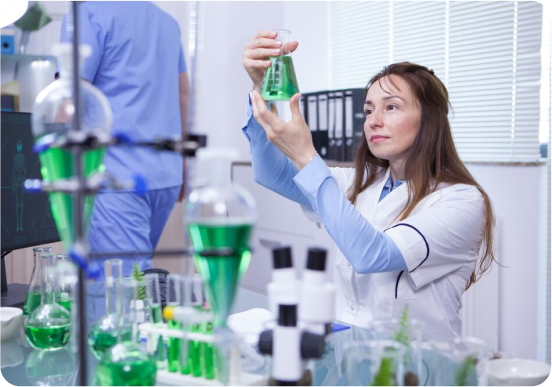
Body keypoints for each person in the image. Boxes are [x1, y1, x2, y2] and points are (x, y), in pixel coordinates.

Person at [241, 30, 496, 340]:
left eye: (391, 107)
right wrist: (261, 88)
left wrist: (307, 156)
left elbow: (372, 255)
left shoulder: (462, 202)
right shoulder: (360, 184)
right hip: (350, 357)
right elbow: (272, 174)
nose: (374, 120)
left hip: (420, 369)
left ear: (430, 120)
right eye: (369, 110)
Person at [60, 0, 188, 322]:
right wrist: (184, 163)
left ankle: (122, 369)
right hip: (165, 175)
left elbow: (72, 96)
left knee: (120, 300)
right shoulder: (166, 22)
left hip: (114, 176)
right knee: (133, 287)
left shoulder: (88, 13)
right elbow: (183, 93)